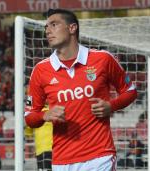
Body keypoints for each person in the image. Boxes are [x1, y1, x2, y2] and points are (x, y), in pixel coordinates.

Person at [24, 8, 137, 171]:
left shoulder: (103, 59)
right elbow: (29, 117)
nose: (48, 30)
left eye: (54, 25)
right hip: (62, 161)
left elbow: (130, 91)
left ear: (72, 28)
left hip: (100, 156)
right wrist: (45, 115)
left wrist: (111, 106)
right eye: (46, 27)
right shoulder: (41, 70)